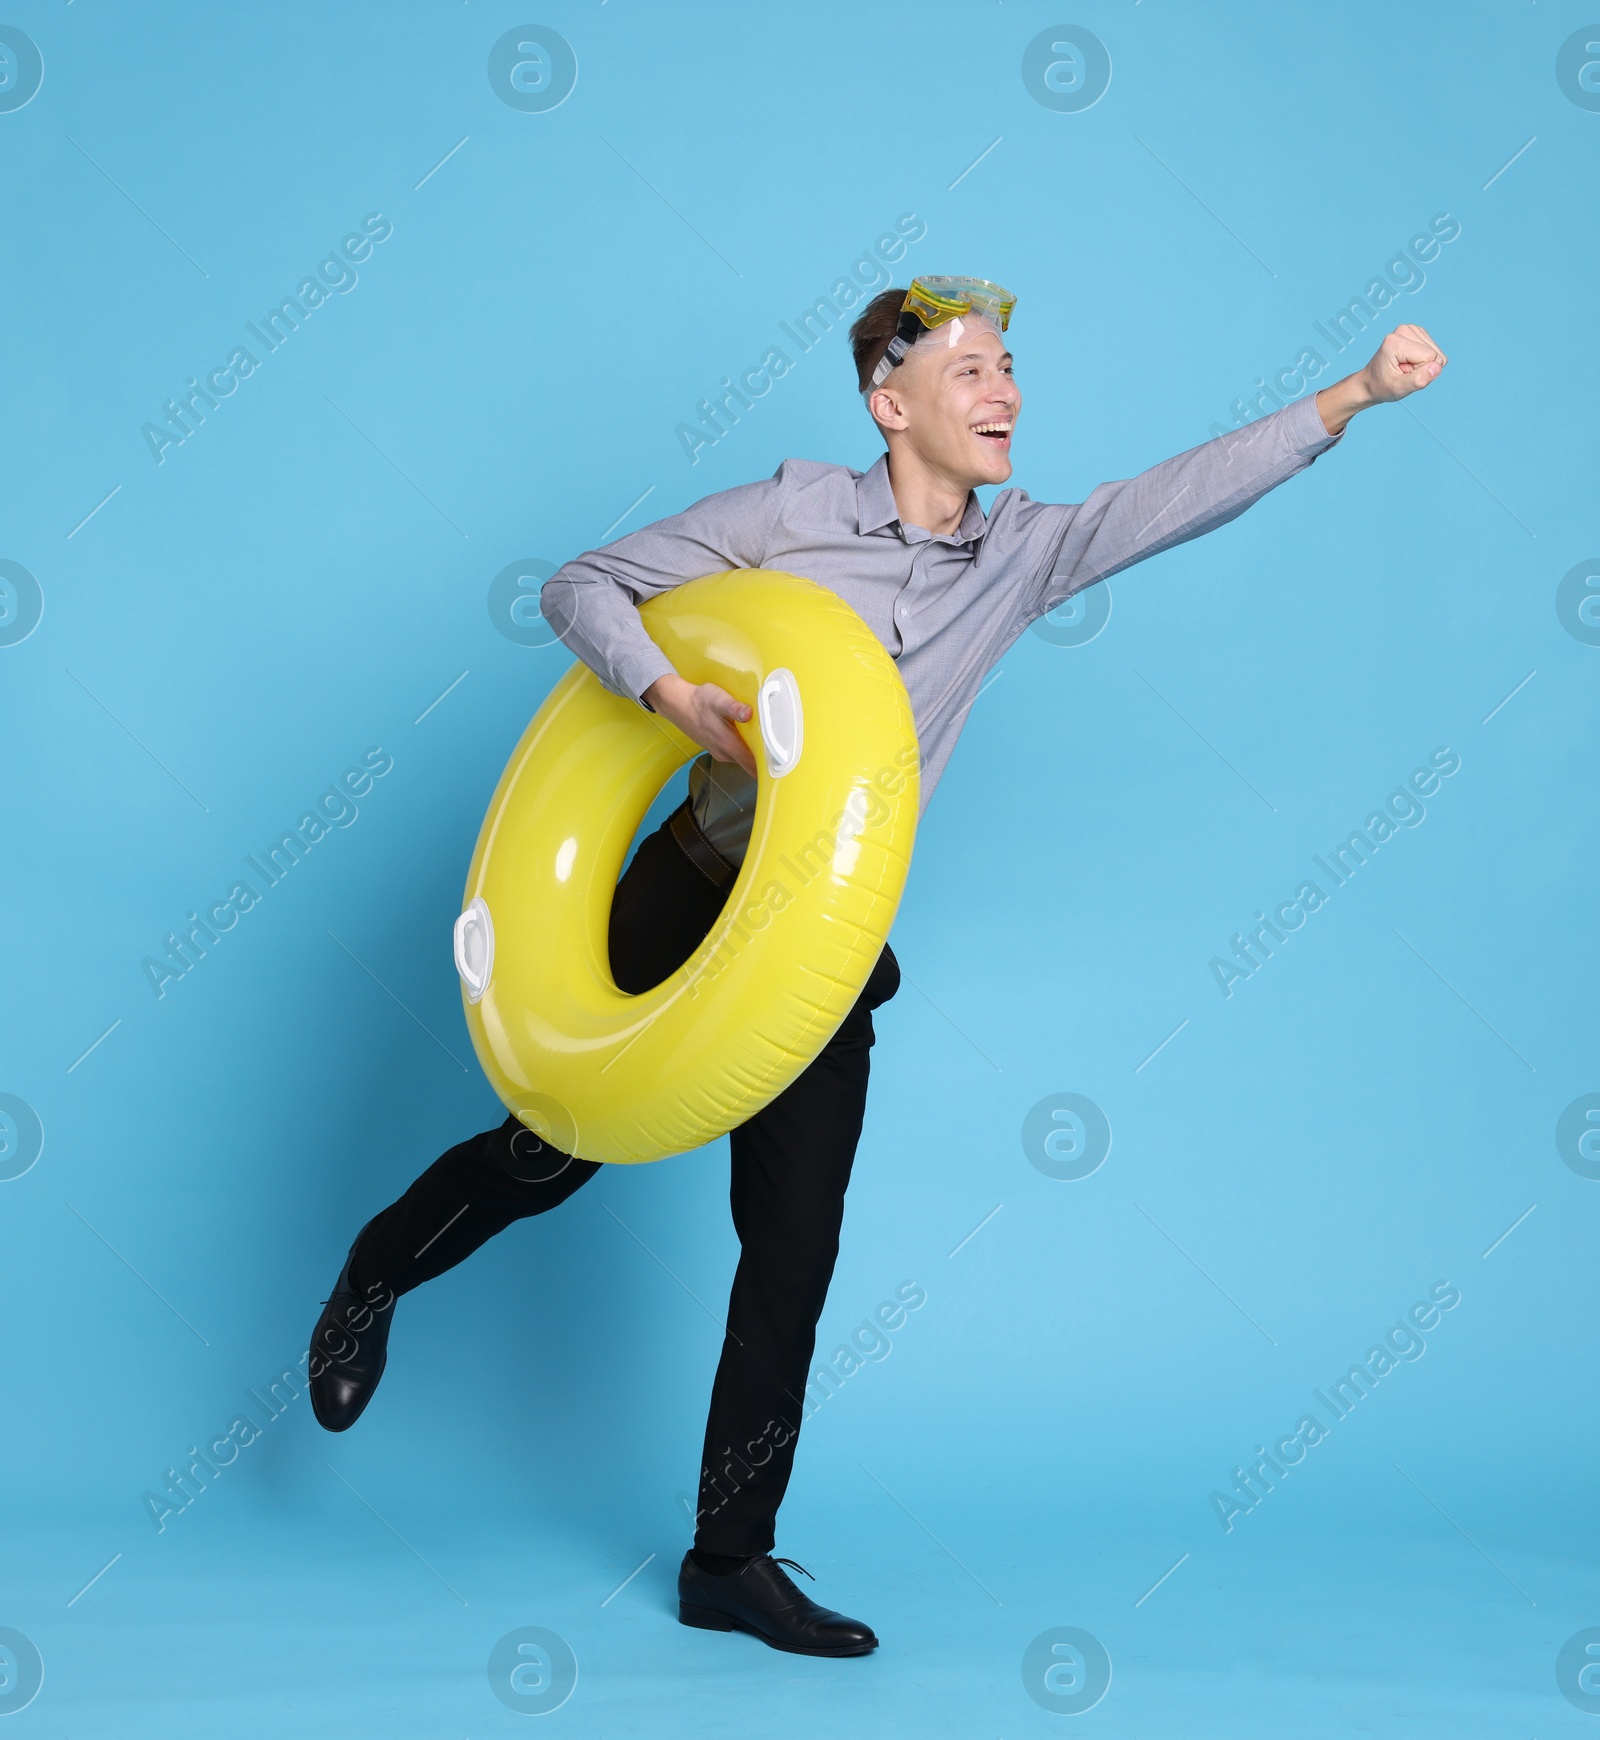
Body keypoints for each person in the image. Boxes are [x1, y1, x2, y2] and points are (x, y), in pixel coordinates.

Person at [308, 277, 1447, 1656]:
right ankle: (376, 1272)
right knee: (548, 1154)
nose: (1006, 396)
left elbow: (1173, 498)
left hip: (820, 942)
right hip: (695, 883)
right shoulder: (787, 515)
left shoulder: (1023, 553)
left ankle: (728, 1559)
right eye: (971, 373)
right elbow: (582, 581)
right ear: (888, 404)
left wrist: (1350, 398)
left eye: (1012, 369)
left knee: (790, 1252)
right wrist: (667, 693)